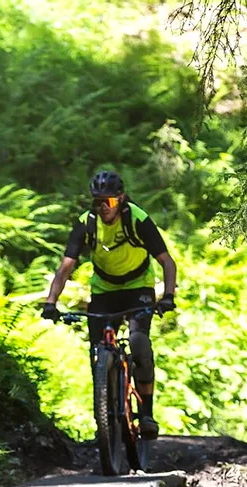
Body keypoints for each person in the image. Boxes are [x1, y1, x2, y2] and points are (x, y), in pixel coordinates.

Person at [41, 170, 177, 439]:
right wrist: (51, 302)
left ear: (121, 199)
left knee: (139, 342)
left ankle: (146, 414)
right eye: (98, 202)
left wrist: (168, 296)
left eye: (110, 202)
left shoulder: (137, 219)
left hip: (138, 288)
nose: (103, 208)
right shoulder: (87, 223)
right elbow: (66, 266)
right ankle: (103, 414)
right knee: (98, 353)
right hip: (104, 290)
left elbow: (167, 262)